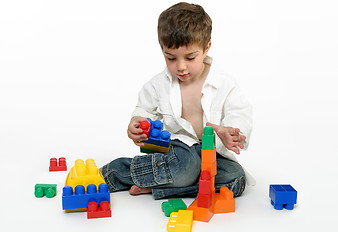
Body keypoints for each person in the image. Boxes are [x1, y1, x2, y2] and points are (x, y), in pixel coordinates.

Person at [100, 2, 253, 200]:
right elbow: (144, 108)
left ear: (206, 48)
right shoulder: (158, 84)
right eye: (171, 58)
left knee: (236, 179)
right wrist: (137, 122)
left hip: (212, 152)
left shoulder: (225, 83)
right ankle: (115, 173)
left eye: (190, 57)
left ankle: (159, 186)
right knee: (187, 167)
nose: (181, 67)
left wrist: (230, 131)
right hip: (178, 150)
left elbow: (240, 113)